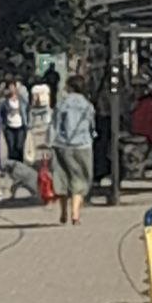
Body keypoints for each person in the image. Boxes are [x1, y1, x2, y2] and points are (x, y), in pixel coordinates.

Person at [50, 74, 95, 226]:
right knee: (80, 178)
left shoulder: (62, 103)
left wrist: (49, 142)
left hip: (61, 144)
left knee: (62, 177)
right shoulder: (88, 105)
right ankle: (75, 214)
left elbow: (54, 124)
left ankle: (63, 212)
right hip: (82, 145)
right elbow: (91, 126)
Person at [0, 78, 28, 163]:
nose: (11, 89)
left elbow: (27, 105)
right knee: (11, 147)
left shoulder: (21, 100)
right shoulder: (4, 102)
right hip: (9, 127)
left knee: (19, 146)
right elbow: (0, 113)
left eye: (13, 86)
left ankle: (20, 165)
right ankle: (11, 166)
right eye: (9, 87)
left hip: (20, 126)